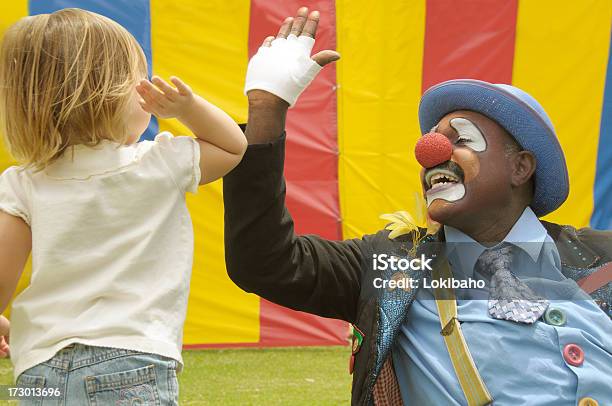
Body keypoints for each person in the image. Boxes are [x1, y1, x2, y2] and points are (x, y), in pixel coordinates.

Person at [224, 7, 612, 406]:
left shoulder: (601, 255)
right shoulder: (388, 263)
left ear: (520, 167)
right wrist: (267, 111)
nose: (431, 153)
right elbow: (264, 261)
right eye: (431, 140)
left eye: (461, 139)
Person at [0, 8, 246, 404]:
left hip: (38, 368)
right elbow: (233, 147)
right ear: (109, 93)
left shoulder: (20, 183)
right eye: (142, 85)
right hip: (131, 361)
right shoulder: (158, 163)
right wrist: (187, 109)